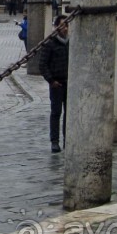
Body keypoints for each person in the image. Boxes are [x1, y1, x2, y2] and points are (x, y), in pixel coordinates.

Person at [38, 15, 69, 153]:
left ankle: (68, 139)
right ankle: (54, 141)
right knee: (56, 113)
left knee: (69, 114)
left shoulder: (71, 42)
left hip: (70, 83)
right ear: (57, 27)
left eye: (67, 25)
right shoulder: (50, 43)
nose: (65, 29)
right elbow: (43, 64)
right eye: (62, 26)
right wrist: (51, 80)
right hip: (57, 83)